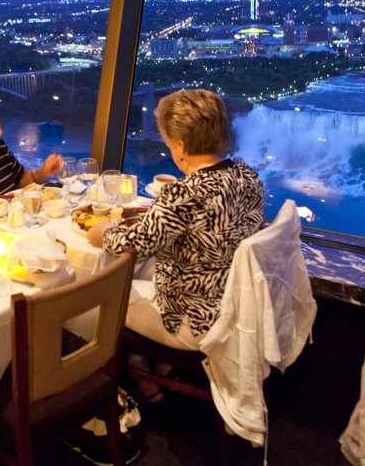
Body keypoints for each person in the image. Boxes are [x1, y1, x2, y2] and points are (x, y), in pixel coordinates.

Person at [87, 88, 265, 352]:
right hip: (231, 303)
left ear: (180, 145)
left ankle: (139, 381)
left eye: (169, 144)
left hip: (191, 321)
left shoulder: (183, 193)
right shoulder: (248, 176)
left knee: (97, 300)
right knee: (137, 273)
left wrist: (103, 231)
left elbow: (132, 245)